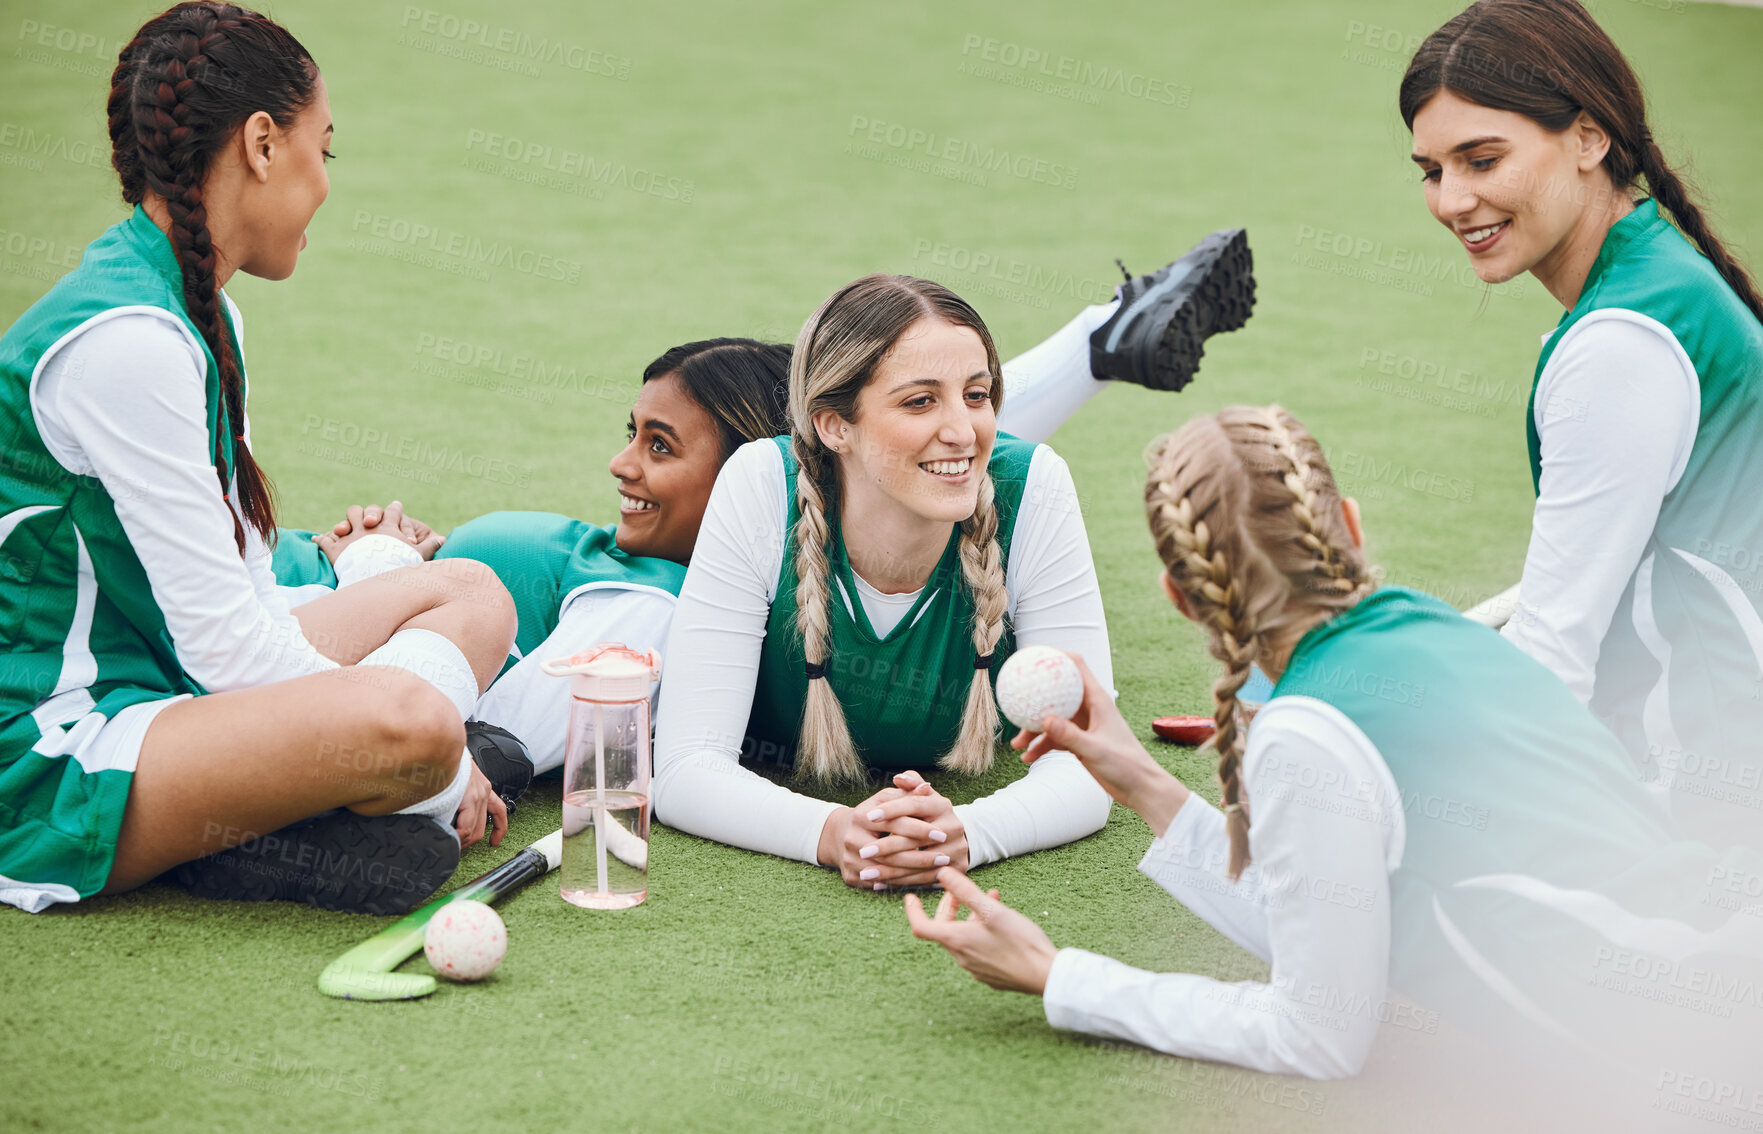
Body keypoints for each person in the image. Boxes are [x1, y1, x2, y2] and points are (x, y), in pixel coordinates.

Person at [903, 405, 1763, 1109]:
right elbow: (1332, 926)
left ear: (1178, 596)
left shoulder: (1308, 730)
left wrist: (1060, 976)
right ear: (1345, 527)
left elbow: (1316, 1031)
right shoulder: (1438, 631)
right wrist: (1142, 784)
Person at [272, 232, 1259, 813]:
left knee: (908, 439)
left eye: (659, 448)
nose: (619, 465)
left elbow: (508, 732)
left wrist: (377, 571)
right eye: (635, 438)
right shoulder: (648, 582)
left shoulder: (687, 582)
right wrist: (373, 559)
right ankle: (1103, 336)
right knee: (902, 437)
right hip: (300, 592)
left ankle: (1103, 336)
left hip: (336, 609)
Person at [0, 2, 521, 916]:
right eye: (327, 147)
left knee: (473, 594)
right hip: (51, 752)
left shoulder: (205, 310)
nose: (326, 181)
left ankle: (284, 808)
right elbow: (229, 651)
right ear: (262, 144)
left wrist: (368, 578)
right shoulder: (127, 340)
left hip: (163, 677)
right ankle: (315, 806)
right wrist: (446, 768)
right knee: (411, 725)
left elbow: (240, 593)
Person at [649, 255, 1254, 891]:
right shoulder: (757, 484)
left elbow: (1090, 764)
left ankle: (1103, 335)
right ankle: (1104, 335)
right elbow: (687, 769)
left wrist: (961, 834)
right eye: (919, 402)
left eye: (977, 395)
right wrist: (832, 833)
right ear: (832, 424)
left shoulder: (1036, 485)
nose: (965, 431)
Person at [1403, 0, 1763, 849]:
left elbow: (1550, 670)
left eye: (1481, 159)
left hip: (1702, 810)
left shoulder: (1617, 345)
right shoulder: (1661, 278)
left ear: (1589, 138)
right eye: (1429, 170)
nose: (1453, 200)